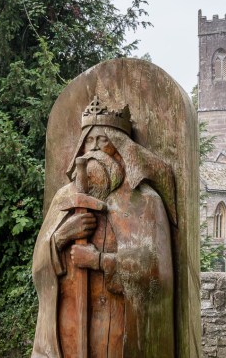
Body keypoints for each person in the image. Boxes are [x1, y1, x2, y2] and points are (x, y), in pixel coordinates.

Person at [32, 97, 177, 358]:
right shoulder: (64, 197)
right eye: (89, 141)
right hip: (69, 328)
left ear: (121, 149)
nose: (94, 151)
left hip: (118, 332)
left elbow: (156, 274)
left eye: (103, 141)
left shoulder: (145, 201)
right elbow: (39, 267)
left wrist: (99, 261)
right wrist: (62, 236)